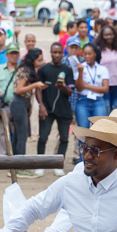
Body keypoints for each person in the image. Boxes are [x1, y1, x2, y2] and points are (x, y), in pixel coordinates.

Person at [37, 42, 74, 172]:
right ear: (51, 53)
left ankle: (58, 165)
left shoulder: (67, 70)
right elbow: (38, 89)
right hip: (47, 108)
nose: (57, 55)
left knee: (64, 138)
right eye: (54, 52)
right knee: (42, 137)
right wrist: (41, 105)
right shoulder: (44, 69)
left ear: (63, 54)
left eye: (59, 52)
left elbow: (71, 91)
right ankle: (39, 164)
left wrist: (63, 87)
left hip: (63, 109)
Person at [12, 48, 46, 159]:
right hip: (19, 103)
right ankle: (20, 166)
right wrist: (35, 85)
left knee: (18, 135)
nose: (41, 63)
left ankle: (14, 164)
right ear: (32, 60)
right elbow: (19, 90)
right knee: (22, 136)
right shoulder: (25, 70)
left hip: (22, 103)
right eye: (39, 60)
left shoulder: (28, 70)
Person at [74, 42, 110, 130]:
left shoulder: (102, 69)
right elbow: (79, 88)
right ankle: (82, 145)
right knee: (83, 132)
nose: (86, 56)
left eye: (89, 54)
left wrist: (86, 85)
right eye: (84, 54)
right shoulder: (80, 68)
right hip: (82, 100)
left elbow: (105, 89)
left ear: (95, 54)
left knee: (98, 132)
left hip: (98, 101)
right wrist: (80, 73)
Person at [95, 24, 117, 113]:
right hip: (104, 85)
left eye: (111, 34)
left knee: (116, 111)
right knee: (106, 110)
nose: (109, 37)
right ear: (102, 37)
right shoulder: (99, 51)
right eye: (106, 35)